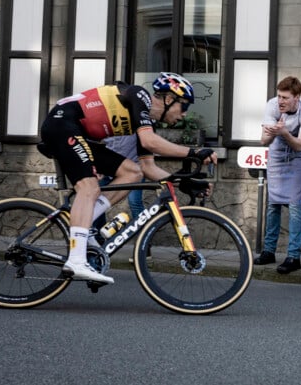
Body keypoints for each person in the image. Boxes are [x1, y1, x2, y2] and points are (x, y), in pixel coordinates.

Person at [40, 72, 216, 284]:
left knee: (132, 172)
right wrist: (194, 152)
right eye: (185, 106)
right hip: (62, 125)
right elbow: (150, 141)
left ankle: (84, 230)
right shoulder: (139, 95)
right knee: (89, 188)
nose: (185, 115)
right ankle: (76, 260)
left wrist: (184, 182)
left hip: (76, 132)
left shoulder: (144, 122)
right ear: (169, 99)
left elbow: (148, 169)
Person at [253, 76, 301, 274]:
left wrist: (284, 133)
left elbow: (299, 145)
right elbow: (264, 141)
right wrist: (274, 132)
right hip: (277, 152)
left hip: (298, 156)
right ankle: (269, 251)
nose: (280, 101)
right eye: (279, 96)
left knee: (294, 204)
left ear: (296, 98)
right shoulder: (272, 105)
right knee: (273, 203)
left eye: (285, 97)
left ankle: (293, 256)